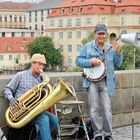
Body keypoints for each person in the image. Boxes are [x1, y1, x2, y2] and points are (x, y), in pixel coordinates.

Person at [76, 24, 123, 140]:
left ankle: (108, 134)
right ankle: (97, 134)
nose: (101, 36)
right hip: (91, 82)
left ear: (106, 35)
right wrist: (91, 62)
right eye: (99, 34)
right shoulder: (88, 47)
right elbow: (78, 61)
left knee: (107, 109)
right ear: (95, 34)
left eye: (103, 34)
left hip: (106, 82)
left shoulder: (111, 48)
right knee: (93, 109)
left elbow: (119, 64)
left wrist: (118, 53)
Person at [4, 53, 59, 140]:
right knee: (44, 119)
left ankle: (41, 137)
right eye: (39, 64)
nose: (41, 67)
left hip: (35, 109)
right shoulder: (21, 75)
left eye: (43, 65)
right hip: (22, 111)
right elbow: (7, 89)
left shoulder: (42, 79)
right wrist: (11, 99)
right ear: (33, 63)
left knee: (55, 119)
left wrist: (46, 85)